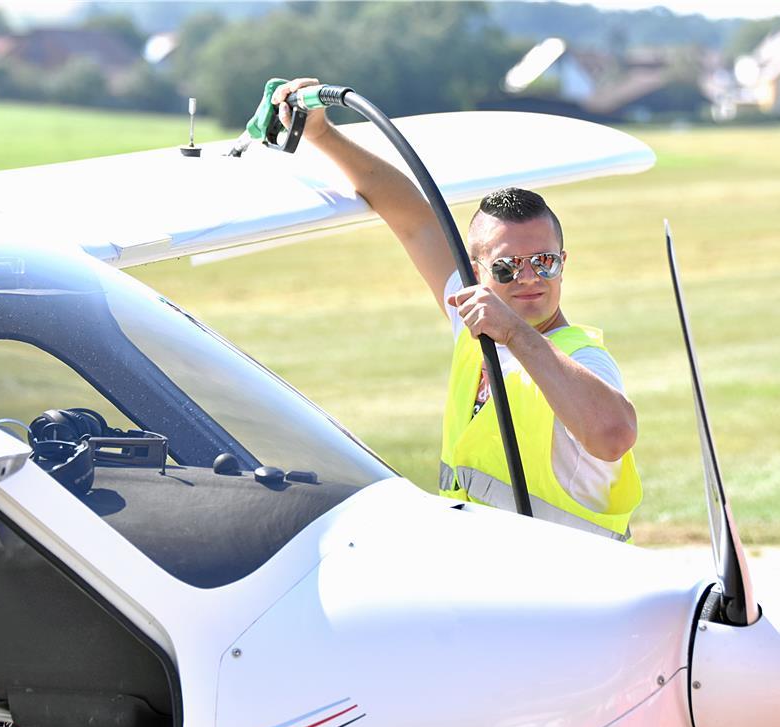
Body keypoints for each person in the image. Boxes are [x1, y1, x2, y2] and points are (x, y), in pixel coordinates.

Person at [273, 78, 641, 541]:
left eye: (543, 263)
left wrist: (515, 333)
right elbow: (412, 218)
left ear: (563, 264)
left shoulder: (584, 359)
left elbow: (611, 435)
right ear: (476, 272)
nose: (528, 279)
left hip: (571, 592)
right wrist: (323, 134)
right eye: (506, 267)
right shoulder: (474, 318)